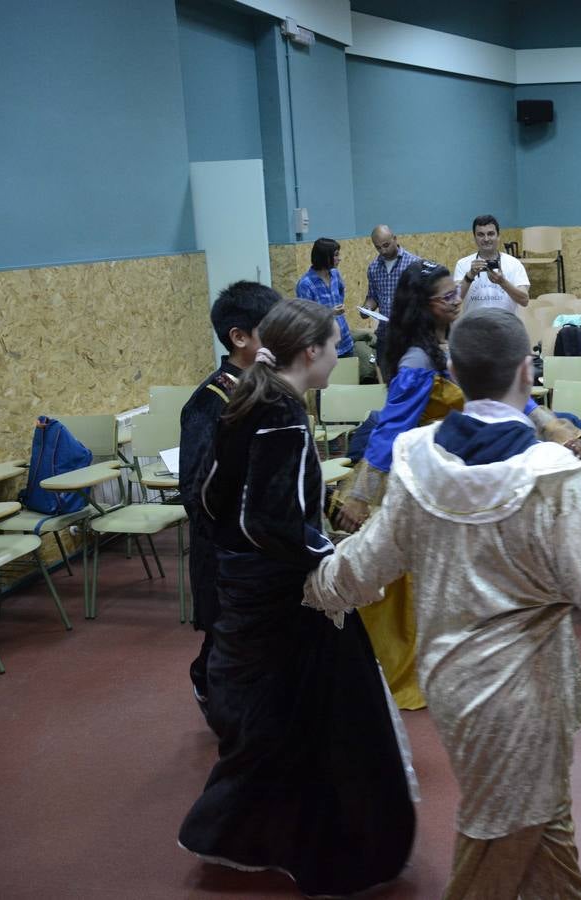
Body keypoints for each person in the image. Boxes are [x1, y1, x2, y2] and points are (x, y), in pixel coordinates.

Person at [302, 308, 581, 898]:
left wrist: (309, 581)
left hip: (450, 682)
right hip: (526, 693)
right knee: (496, 837)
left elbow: (365, 565)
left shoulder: (418, 463)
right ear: (527, 372)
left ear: (456, 374)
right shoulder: (549, 476)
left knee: (545, 830)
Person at [178, 300, 415, 897]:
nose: (340, 355)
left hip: (247, 583)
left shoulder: (247, 399)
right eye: (335, 345)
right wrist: (323, 556)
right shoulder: (281, 415)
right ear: (310, 352)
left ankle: (239, 832)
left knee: (275, 724)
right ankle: (337, 845)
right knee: (334, 722)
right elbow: (268, 518)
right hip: (286, 594)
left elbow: (212, 501)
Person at [332, 261, 465, 709]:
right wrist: (360, 496)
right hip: (417, 488)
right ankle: (400, 672)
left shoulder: (448, 345)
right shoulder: (417, 361)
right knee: (403, 590)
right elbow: (389, 432)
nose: (457, 301)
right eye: (448, 297)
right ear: (424, 307)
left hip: (448, 482)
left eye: (456, 292)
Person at [180, 281, 280, 718]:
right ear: (239, 337)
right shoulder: (213, 400)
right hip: (227, 549)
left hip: (263, 541)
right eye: (271, 328)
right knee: (227, 635)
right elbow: (200, 490)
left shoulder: (265, 386)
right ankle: (210, 688)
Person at [453, 213, 530, 314]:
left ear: (498, 236)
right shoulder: (463, 264)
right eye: (481, 235)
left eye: (490, 234)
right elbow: (454, 300)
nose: (486, 239)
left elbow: (524, 300)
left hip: (505, 325)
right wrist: (469, 276)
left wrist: (503, 282)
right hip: (474, 326)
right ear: (474, 237)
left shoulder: (514, 263)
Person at [295, 237, 353, 358]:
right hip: (324, 346)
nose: (339, 259)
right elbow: (305, 317)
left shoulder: (335, 274)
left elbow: (341, 292)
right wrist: (330, 312)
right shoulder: (305, 284)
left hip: (345, 341)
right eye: (336, 255)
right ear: (324, 257)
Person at [364, 224, 420, 350]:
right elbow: (373, 296)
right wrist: (367, 308)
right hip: (385, 335)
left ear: (395, 239)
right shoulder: (373, 268)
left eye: (386, 245)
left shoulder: (414, 264)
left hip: (410, 335)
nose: (383, 251)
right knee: (385, 369)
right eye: (378, 248)